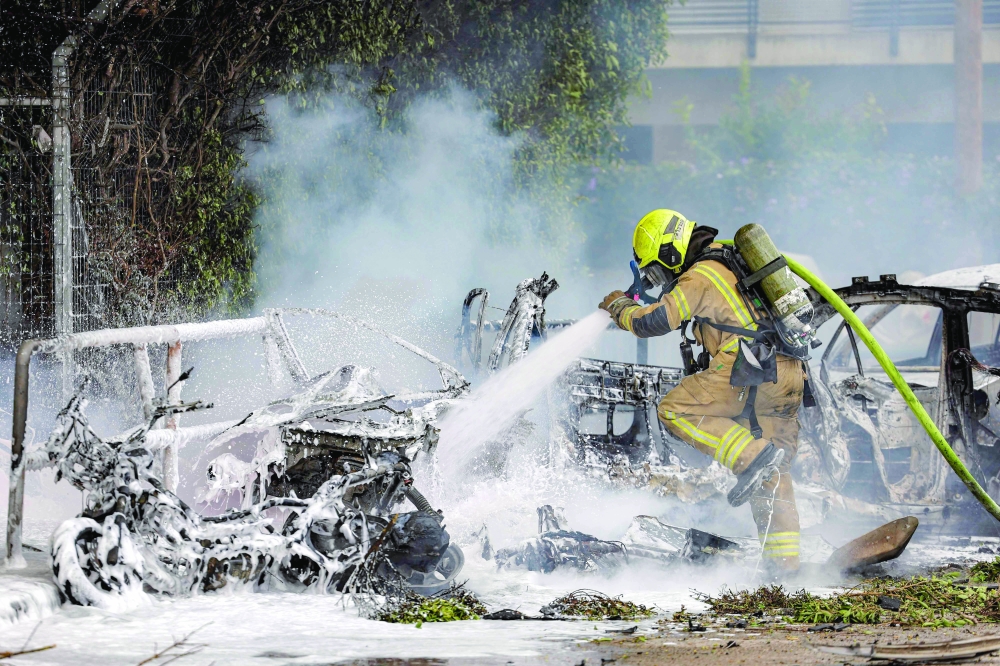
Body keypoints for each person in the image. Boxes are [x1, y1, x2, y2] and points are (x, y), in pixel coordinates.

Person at [599, 209, 806, 573]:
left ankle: (750, 457)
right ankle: (784, 567)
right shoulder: (727, 265)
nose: (659, 279)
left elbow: (656, 320)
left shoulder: (701, 275)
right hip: (787, 373)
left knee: (675, 409)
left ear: (671, 253)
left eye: (657, 270)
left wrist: (620, 307)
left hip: (749, 366)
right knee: (773, 476)